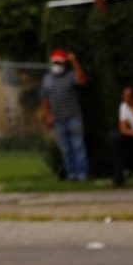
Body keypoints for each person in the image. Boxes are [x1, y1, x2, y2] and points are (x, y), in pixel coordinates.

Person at [40, 48, 88, 181]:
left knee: (78, 146)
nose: (57, 65)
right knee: (65, 149)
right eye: (55, 63)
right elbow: (44, 98)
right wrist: (48, 115)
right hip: (57, 118)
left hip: (73, 116)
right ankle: (71, 174)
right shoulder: (47, 79)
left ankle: (82, 174)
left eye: (59, 63)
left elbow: (82, 81)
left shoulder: (70, 75)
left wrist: (74, 62)